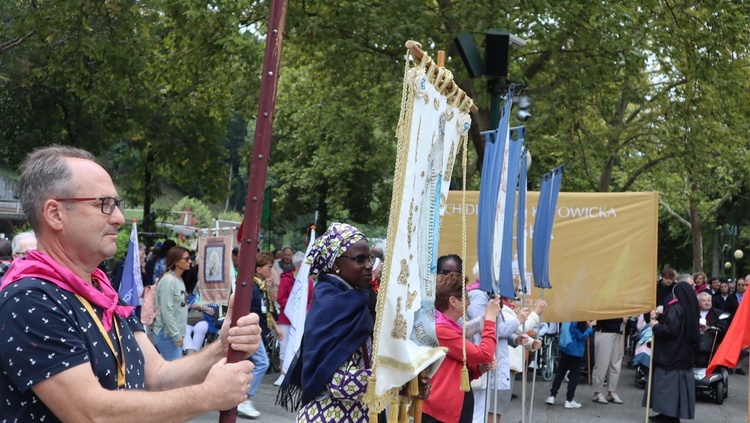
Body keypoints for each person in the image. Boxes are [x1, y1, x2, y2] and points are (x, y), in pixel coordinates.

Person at [0, 145, 261, 421]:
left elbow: (159, 376)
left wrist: (223, 346)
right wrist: (208, 395)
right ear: (55, 214)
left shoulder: (102, 292)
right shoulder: (29, 300)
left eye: (116, 205)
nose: (119, 218)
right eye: (104, 204)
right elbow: (91, 414)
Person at [278, 222, 377, 422]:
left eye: (369, 258)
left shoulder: (362, 299)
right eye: (360, 259)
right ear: (337, 265)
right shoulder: (332, 306)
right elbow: (337, 382)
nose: (368, 265)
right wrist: (389, 378)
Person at [423, 271, 505, 423]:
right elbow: (485, 354)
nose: (468, 303)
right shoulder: (441, 329)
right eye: (466, 297)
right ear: (453, 301)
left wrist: (479, 369)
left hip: (452, 406)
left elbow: (459, 371)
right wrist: (490, 318)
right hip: (440, 410)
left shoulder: (448, 326)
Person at [643, 281, 700, 423]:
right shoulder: (690, 309)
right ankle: (667, 414)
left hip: (671, 354)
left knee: (667, 387)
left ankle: (668, 416)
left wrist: (655, 326)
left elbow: (670, 330)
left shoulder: (676, 309)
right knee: (674, 389)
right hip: (683, 354)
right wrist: (662, 317)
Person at [237, 251, 276, 418]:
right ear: (259, 269)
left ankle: (241, 397)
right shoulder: (252, 287)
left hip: (258, 328)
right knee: (262, 363)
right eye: (269, 268)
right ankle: (244, 399)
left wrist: (276, 328)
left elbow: (266, 309)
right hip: (252, 329)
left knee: (251, 364)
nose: (271, 271)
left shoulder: (261, 286)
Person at [275, 250, 314, 386]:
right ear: (299, 265)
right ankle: (282, 374)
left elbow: (310, 300)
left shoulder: (308, 282)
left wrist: (304, 310)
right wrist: (293, 308)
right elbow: (281, 297)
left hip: (300, 319)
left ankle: (293, 375)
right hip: (286, 319)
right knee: (284, 346)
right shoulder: (286, 279)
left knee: (297, 346)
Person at [152, 246, 192, 361]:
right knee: (174, 374)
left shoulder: (179, 279)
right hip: (167, 334)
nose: (190, 261)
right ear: (176, 261)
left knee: (174, 372)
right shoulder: (168, 281)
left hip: (174, 334)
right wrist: (176, 335)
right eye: (186, 259)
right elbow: (166, 310)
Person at [546, 320, 596, 409]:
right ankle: (569, 400)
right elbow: (581, 336)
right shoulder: (580, 320)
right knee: (574, 376)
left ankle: (552, 396)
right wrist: (590, 328)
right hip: (576, 351)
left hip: (565, 348)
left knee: (560, 373)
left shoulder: (568, 317)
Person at [592, 317, 626, 405]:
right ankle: (597, 392)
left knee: (615, 363)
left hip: (618, 330)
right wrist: (621, 319)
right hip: (605, 330)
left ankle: (611, 391)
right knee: (602, 363)